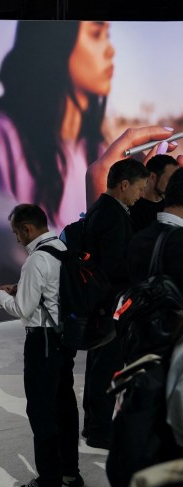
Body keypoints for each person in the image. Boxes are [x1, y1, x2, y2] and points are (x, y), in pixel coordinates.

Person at [0, 20, 114, 230]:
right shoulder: (3, 136)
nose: (110, 50)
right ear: (56, 41)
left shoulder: (96, 153)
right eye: (96, 34)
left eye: (108, 35)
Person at [0, 204, 81, 487]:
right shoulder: (61, 248)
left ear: (26, 229)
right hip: (64, 339)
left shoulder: (36, 260)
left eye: (16, 233)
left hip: (42, 343)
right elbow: (50, 295)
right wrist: (20, 289)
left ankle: (48, 486)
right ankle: (68, 471)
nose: (16, 239)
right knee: (64, 403)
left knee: (41, 412)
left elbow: (22, 310)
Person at [82, 158, 149, 448]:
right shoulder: (110, 214)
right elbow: (113, 266)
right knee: (105, 367)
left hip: (103, 303)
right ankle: (99, 430)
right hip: (110, 304)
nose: (140, 194)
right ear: (124, 185)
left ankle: (95, 426)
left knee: (101, 366)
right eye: (139, 188)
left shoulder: (105, 209)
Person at [129, 154, 179, 231]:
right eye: (171, 179)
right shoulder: (130, 207)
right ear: (152, 176)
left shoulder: (173, 207)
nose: (174, 184)